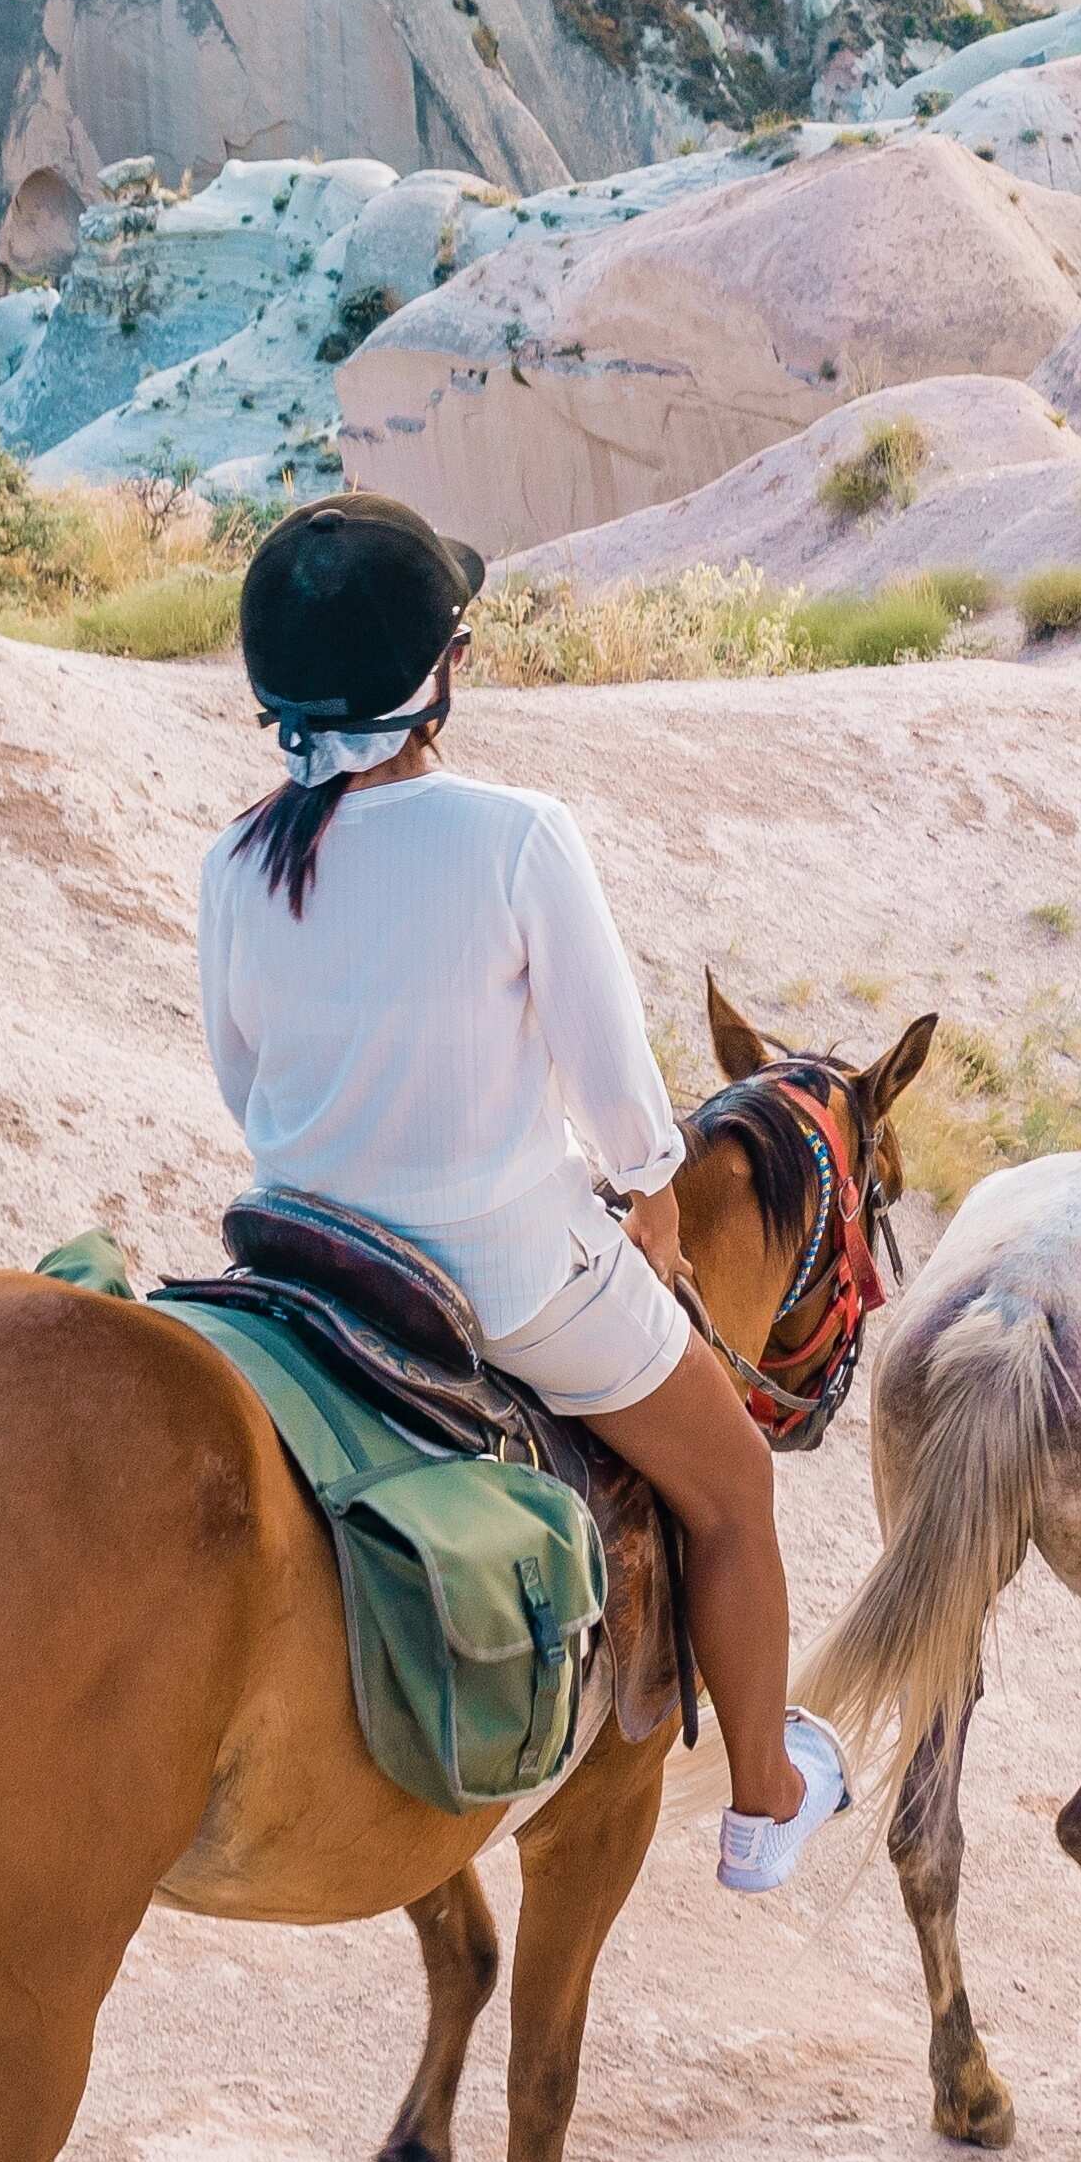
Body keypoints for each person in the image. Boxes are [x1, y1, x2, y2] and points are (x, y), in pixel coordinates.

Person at [196, 494, 847, 1888]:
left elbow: (244, 1086)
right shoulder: (515, 836)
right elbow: (614, 1082)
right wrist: (653, 1199)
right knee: (734, 1484)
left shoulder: (236, 859)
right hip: (500, 1273)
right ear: (440, 676)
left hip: (299, 1256)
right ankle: (763, 1799)